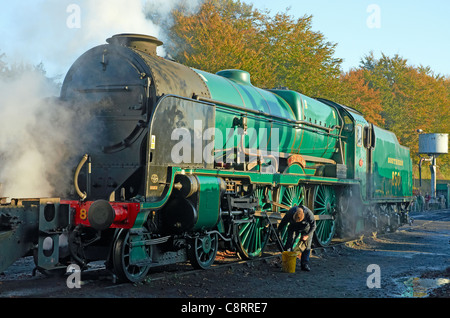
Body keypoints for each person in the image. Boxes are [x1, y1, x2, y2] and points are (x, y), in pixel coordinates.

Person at [278, 205, 316, 271]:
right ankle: (287, 262)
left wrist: (307, 235)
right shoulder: (290, 212)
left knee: (307, 247)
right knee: (289, 242)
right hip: (293, 227)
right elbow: (283, 222)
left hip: (306, 229)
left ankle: (304, 264)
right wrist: (278, 231)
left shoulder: (309, 214)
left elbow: (314, 226)